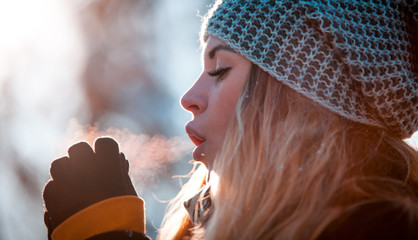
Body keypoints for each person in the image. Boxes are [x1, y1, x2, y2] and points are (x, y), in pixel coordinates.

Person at [43, 0, 418, 239]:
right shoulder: (214, 225)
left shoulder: (380, 226)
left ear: (303, 94)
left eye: (220, 69)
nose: (189, 98)